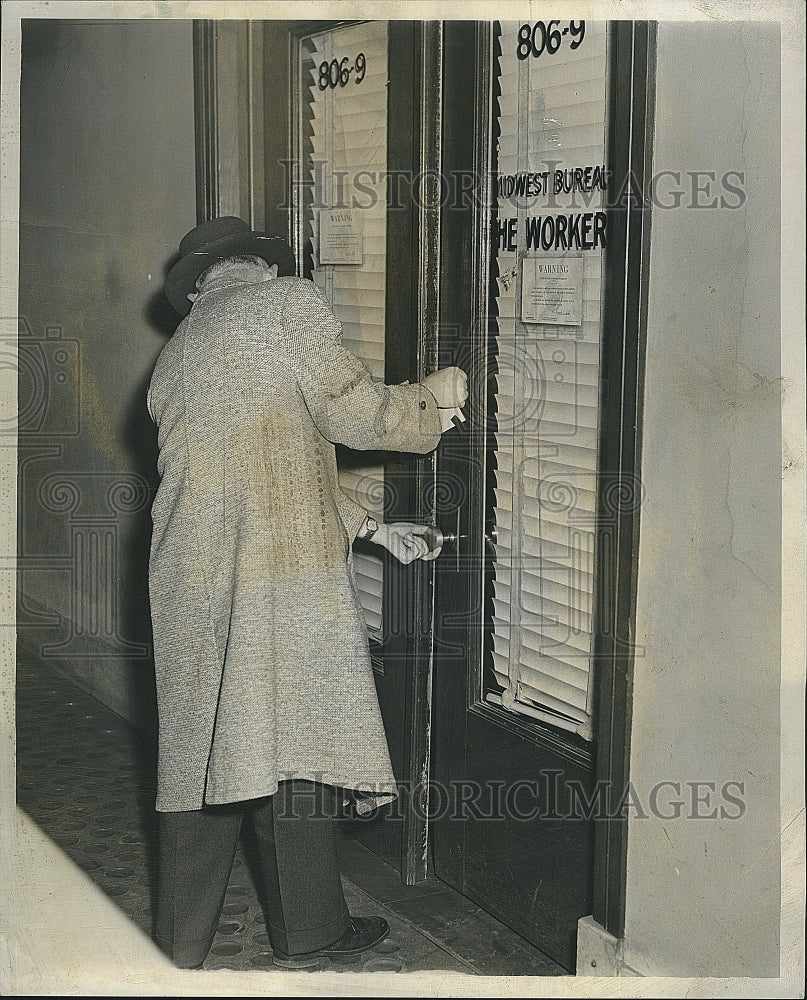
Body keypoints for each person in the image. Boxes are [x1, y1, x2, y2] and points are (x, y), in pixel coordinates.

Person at [147, 216, 468, 970]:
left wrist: (369, 526)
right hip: (271, 574)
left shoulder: (179, 349)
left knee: (205, 755)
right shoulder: (284, 301)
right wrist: (432, 400)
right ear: (260, 265)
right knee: (293, 735)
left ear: (200, 282)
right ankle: (311, 930)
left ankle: (175, 951)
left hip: (189, 573)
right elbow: (350, 411)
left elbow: (264, 459)